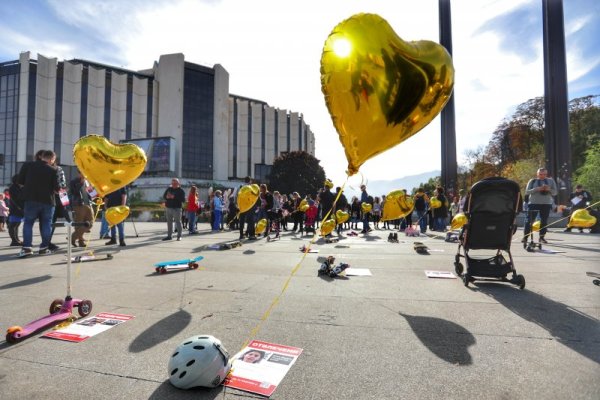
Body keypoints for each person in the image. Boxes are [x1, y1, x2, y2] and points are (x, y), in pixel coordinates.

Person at [17, 150, 59, 257]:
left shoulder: (27, 165)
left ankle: (27, 248)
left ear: (42, 157)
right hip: (48, 202)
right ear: (52, 159)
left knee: (28, 223)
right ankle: (43, 248)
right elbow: (56, 189)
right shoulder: (53, 170)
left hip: (30, 200)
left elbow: (20, 182)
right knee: (46, 224)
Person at [523, 167, 558, 243]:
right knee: (529, 220)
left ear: (546, 174)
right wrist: (537, 189)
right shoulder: (532, 181)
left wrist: (549, 190)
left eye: (544, 174)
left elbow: (555, 192)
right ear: (537, 174)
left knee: (544, 221)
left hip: (546, 204)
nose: (542, 176)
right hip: (533, 203)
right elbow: (527, 192)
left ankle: (541, 237)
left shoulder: (551, 181)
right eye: (540, 174)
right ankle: (525, 237)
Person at [68, 172, 94, 247]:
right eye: (82, 173)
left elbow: (92, 193)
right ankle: (81, 241)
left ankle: (73, 237)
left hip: (88, 204)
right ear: (78, 173)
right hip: (78, 205)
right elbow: (74, 192)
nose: (84, 174)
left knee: (90, 223)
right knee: (79, 223)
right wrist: (81, 183)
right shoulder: (74, 182)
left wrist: (96, 193)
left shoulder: (88, 181)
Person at [7, 174, 24, 246]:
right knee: (13, 225)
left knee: (17, 224)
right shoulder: (13, 187)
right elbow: (14, 199)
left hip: (19, 209)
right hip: (15, 209)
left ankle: (17, 239)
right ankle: (14, 241)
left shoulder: (19, 187)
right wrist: (19, 207)